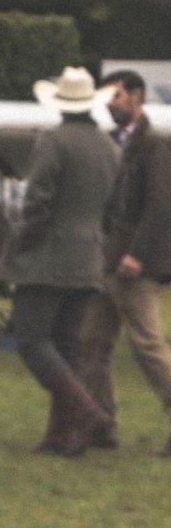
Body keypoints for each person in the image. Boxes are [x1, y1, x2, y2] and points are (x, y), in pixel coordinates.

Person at [7, 66, 121, 458]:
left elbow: (38, 200)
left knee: (32, 338)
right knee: (67, 345)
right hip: (90, 255)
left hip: (49, 254)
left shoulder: (55, 141)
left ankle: (87, 412)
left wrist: (23, 243)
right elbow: (115, 208)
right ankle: (63, 437)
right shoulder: (110, 146)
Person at [80, 68, 171, 453]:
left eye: (116, 96)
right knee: (92, 344)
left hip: (133, 264)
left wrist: (137, 253)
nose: (109, 105)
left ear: (136, 96)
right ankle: (101, 425)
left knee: (148, 347)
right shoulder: (114, 141)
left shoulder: (154, 145)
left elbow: (161, 203)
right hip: (107, 260)